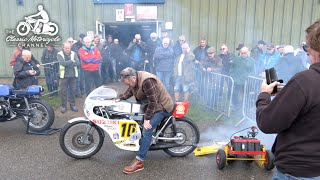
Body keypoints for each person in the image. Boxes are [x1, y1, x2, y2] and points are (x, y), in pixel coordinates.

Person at [256, 19, 320, 179]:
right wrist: (288, 93)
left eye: (308, 46)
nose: (306, 51)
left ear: (314, 50)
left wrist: (264, 95)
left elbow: (267, 122)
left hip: (298, 171)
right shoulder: (304, 84)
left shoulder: (305, 81)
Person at [117, 67, 174, 174]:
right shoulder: (135, 79)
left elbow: (153, 102)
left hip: (162, 107)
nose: (129, 86)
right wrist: (117, 98)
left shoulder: (147, 81)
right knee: (136, 118)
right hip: (151, 106)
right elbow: (130, 91)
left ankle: (140, 160)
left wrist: (147, 120)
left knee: (147, 130)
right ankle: (142, 144)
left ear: (133, 78)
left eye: (129, 83)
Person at [57, 42, 79, 113]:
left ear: (70, 48)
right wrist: (71, 61)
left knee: (72, 91)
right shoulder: (59, 54)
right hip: (64, 76)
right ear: (63, 48)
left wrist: (67, 63)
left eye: (68, 48)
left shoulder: (74, 53)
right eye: (66, 48)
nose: (67, 49)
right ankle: (63, 106)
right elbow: (62, 63)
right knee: (63, 92)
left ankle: (73, 106)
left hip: (73, 76)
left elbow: (77, 63)